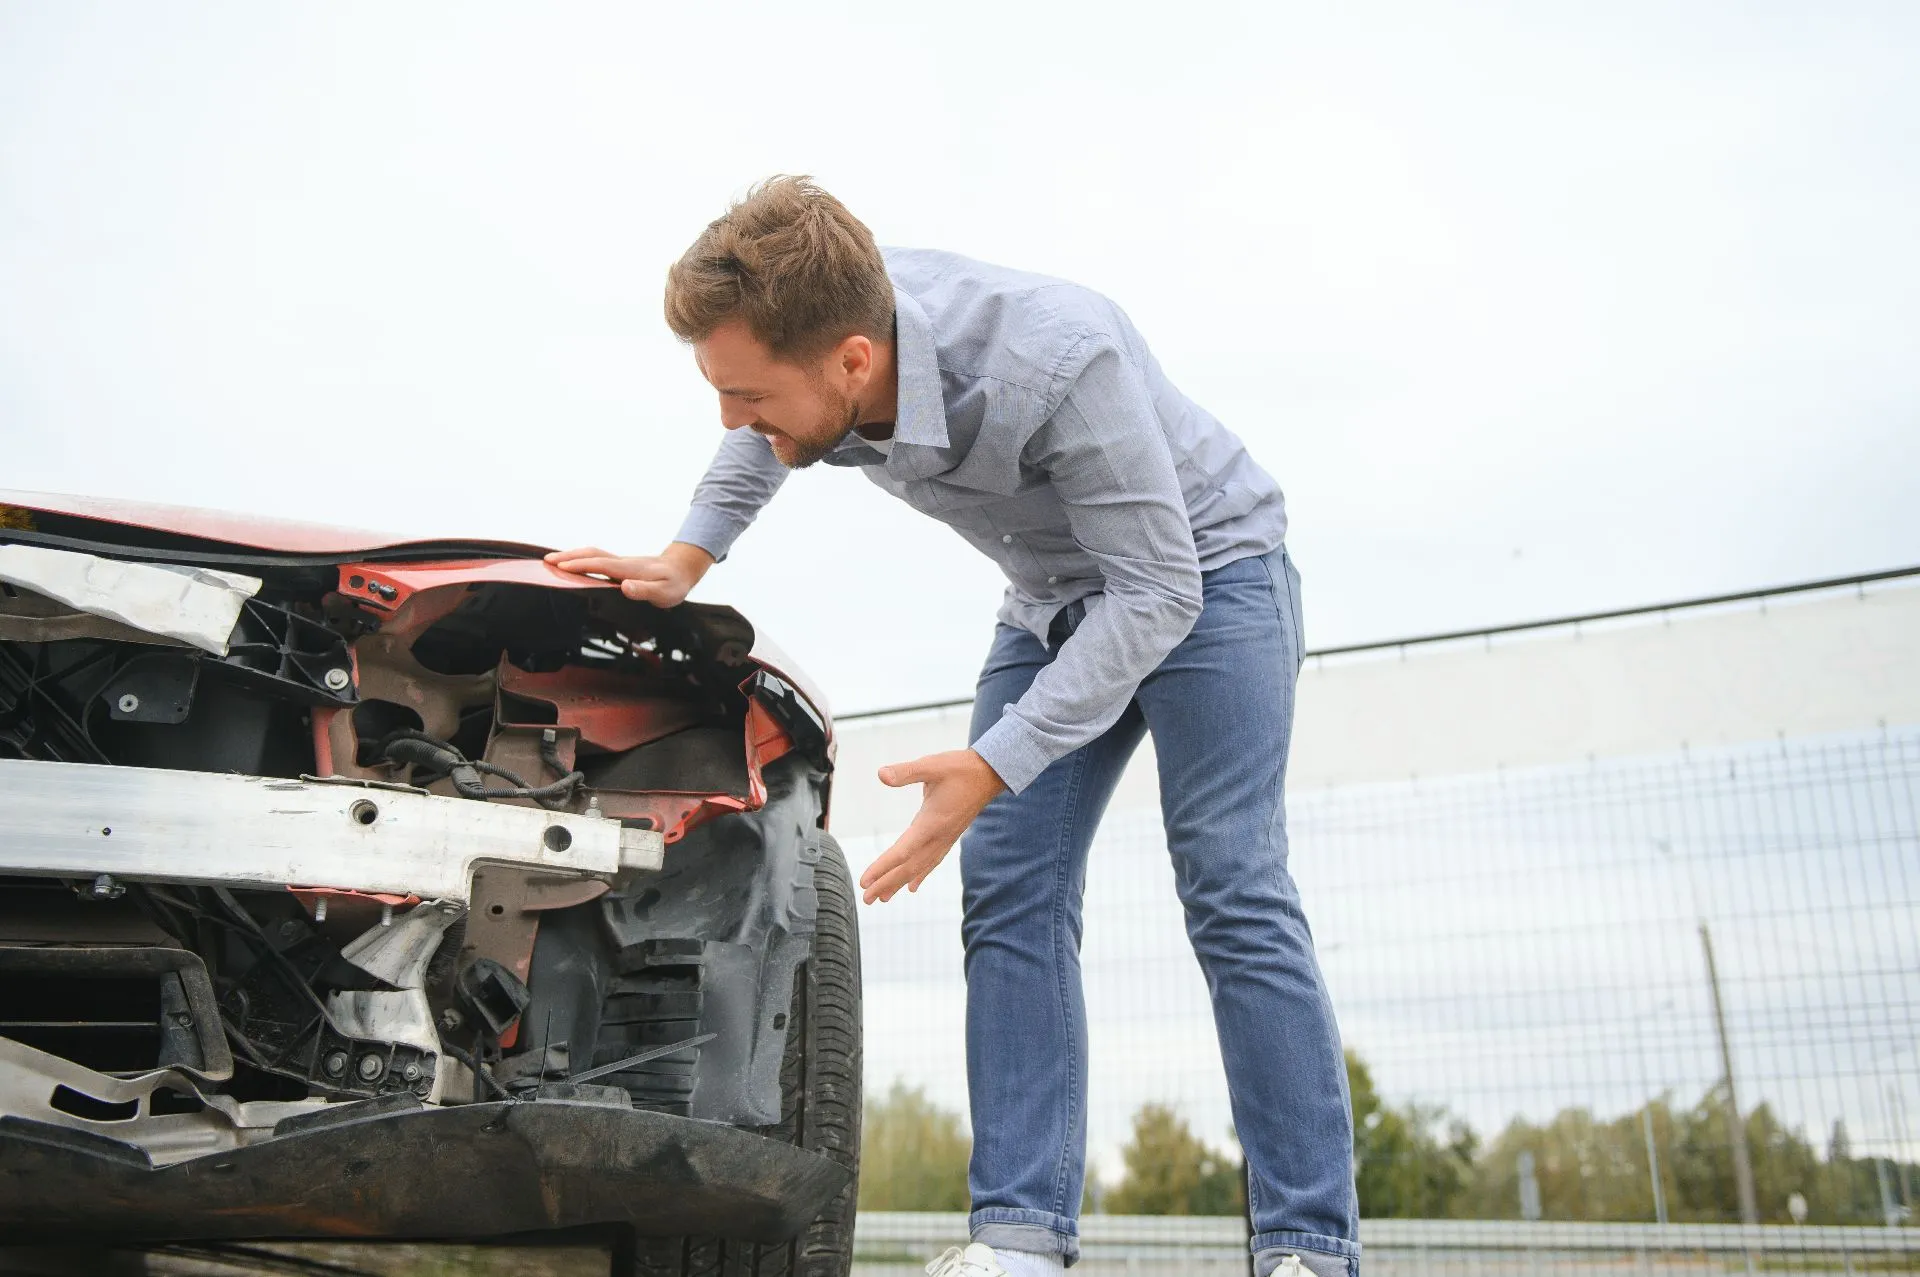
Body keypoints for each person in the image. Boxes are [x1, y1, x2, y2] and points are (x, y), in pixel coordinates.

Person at [548, 177, 1357, 1277]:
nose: (734, 418)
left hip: (1209, 579)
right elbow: (760, 432)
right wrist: (689, 553)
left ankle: (1309, 1244)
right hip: (1051, 598)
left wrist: (995, 759)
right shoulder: (825, 334)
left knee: (1230, 879)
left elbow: (1157, 592)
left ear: (853, 361)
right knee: (1010, 885)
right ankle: (1021, 1238)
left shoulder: (1055, 359)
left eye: (748, 394)